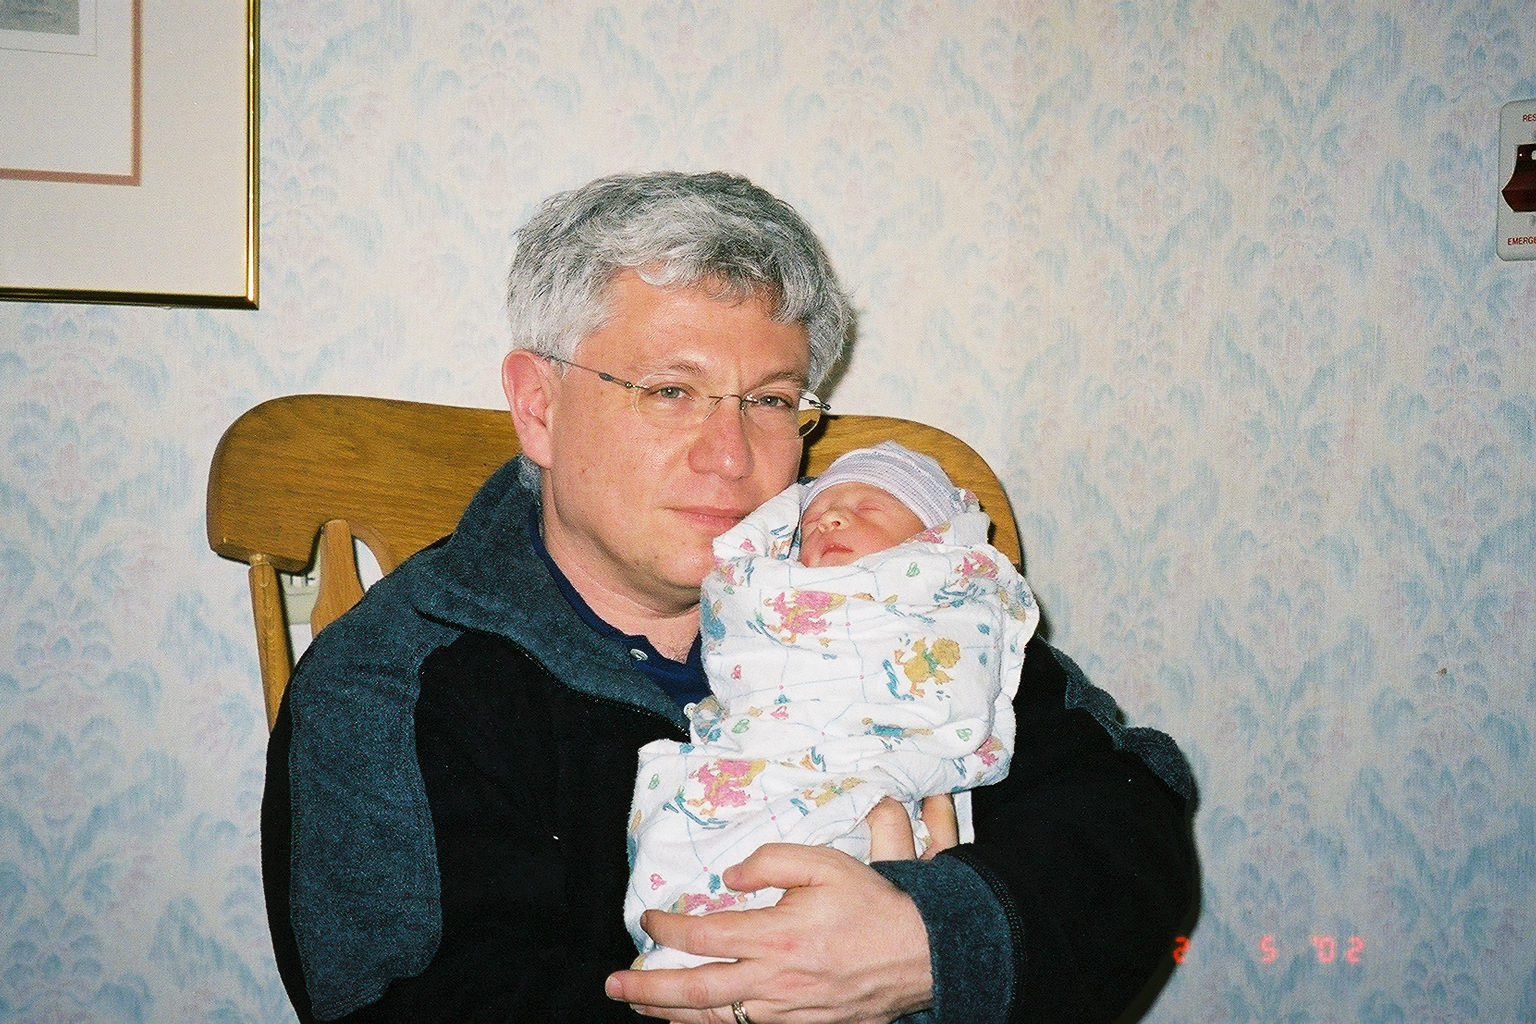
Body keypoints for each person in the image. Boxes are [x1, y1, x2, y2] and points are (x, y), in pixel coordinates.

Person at [261, 170, 1198, 1024]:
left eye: (772, 400)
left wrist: (931, 943)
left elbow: (1135, 820)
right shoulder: (390, 685)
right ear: (539, 407)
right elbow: (395, 1001)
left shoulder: (886, 600)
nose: (730, 457)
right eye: (671, 391)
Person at [626, 441, 1040, 970]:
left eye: (869, 508)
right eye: (813, 516)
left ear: (931, 537)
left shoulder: (950, 604)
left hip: (876, 785)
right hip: (764, 764)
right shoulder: (766, 592)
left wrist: (932, 937)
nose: (830, 519)